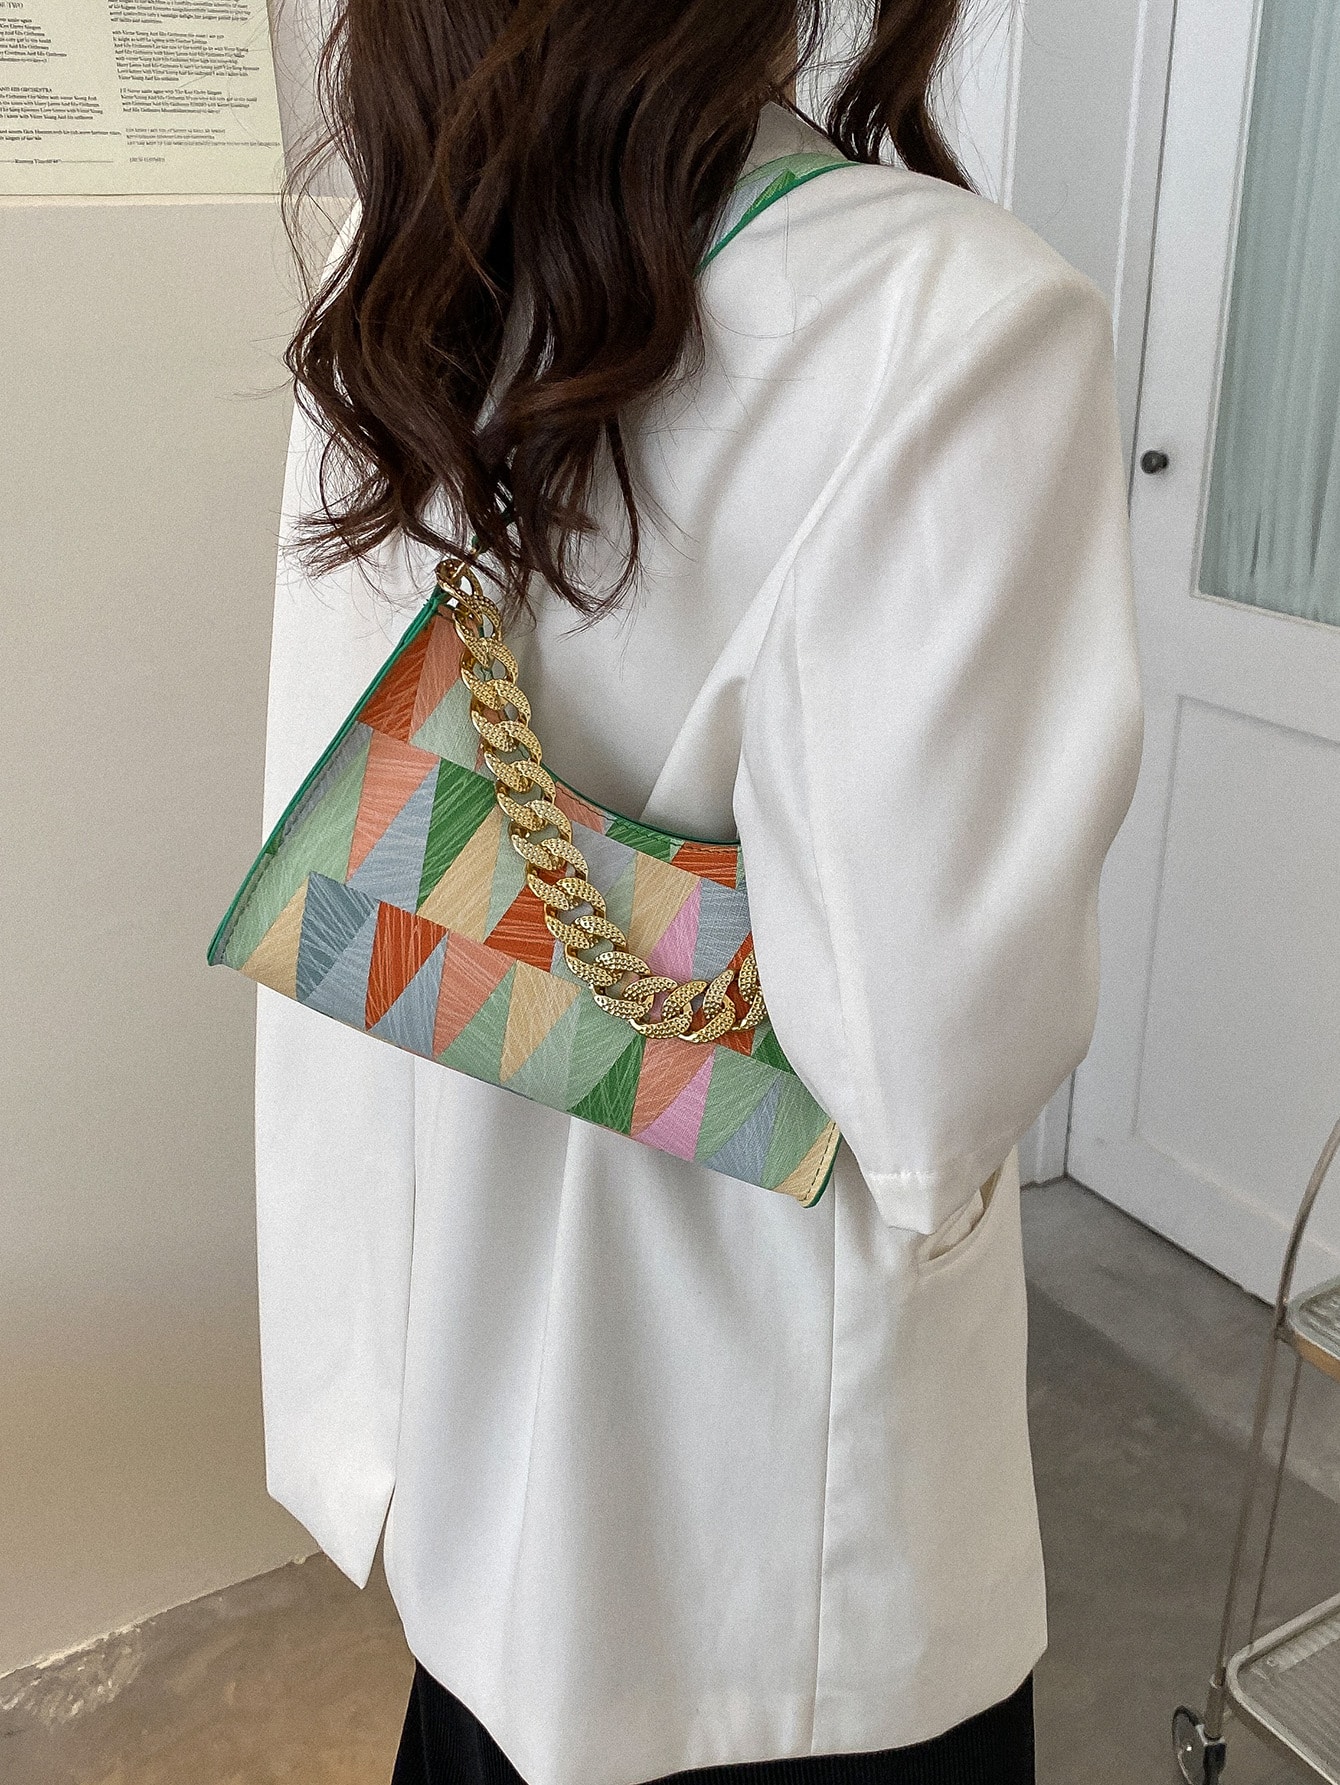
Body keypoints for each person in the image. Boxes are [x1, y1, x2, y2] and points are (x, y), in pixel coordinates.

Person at [253, 4, 1143, 1782]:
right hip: (776, 1555)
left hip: (473, 1440)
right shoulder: (945, 317)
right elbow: (929, 1098)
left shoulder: (400, 271)